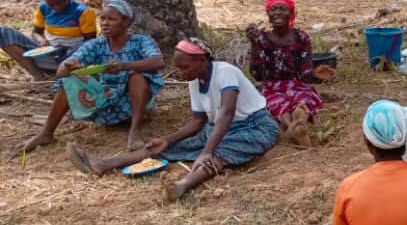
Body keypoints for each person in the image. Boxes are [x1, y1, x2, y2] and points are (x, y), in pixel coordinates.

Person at [65, 39, 280, 203]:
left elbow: (227, 112)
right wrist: (168, 140)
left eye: (185, 67)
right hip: (217, 128)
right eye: (179, 68)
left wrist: (206, 151)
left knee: (218, 151)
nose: (181, 73)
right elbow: (198, 121)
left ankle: (183, 185)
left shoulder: (226, 72)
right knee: (170, 147)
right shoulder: (195, 80)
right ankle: (104, 163)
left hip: (255, 126)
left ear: (202, 61)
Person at [19, 0, 164, 153]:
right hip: (106, 99)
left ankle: (135, 131)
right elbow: (61, 71)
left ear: (125, 22)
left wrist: (124, 67)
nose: (105, 23)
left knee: (137, 77)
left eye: (111, 19)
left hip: (135, 103)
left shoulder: (140, 41)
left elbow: (158, 61)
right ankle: (46, 133)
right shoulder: (96, 45)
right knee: (69, 80)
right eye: (103, 18)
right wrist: (69, 68)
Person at [246, 0, 333, 147]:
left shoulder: (301, 38)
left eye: (283, 9)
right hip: (272, 87)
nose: (278, 12)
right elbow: (258, 75)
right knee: (276, 102)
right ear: (268, 15)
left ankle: (297, 122)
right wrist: (254, 45)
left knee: (305, 97)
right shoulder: (261, 39)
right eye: (274, 9)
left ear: (292, 14)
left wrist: (315, 74)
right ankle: (295, 126)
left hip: (297, 84)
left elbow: (304, 73)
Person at [0, 0, 97, 80]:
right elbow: (36, 32)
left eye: (60, 3)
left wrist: (67, 47)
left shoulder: (82, 12)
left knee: (81, 51)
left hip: (72, 55)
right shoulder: (43, 8)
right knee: (4, 33)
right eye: (51, 5)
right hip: (49, 53)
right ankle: (37, 75)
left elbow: (90, 42)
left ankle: (61, 73)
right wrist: (42, 41)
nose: (56, 7)